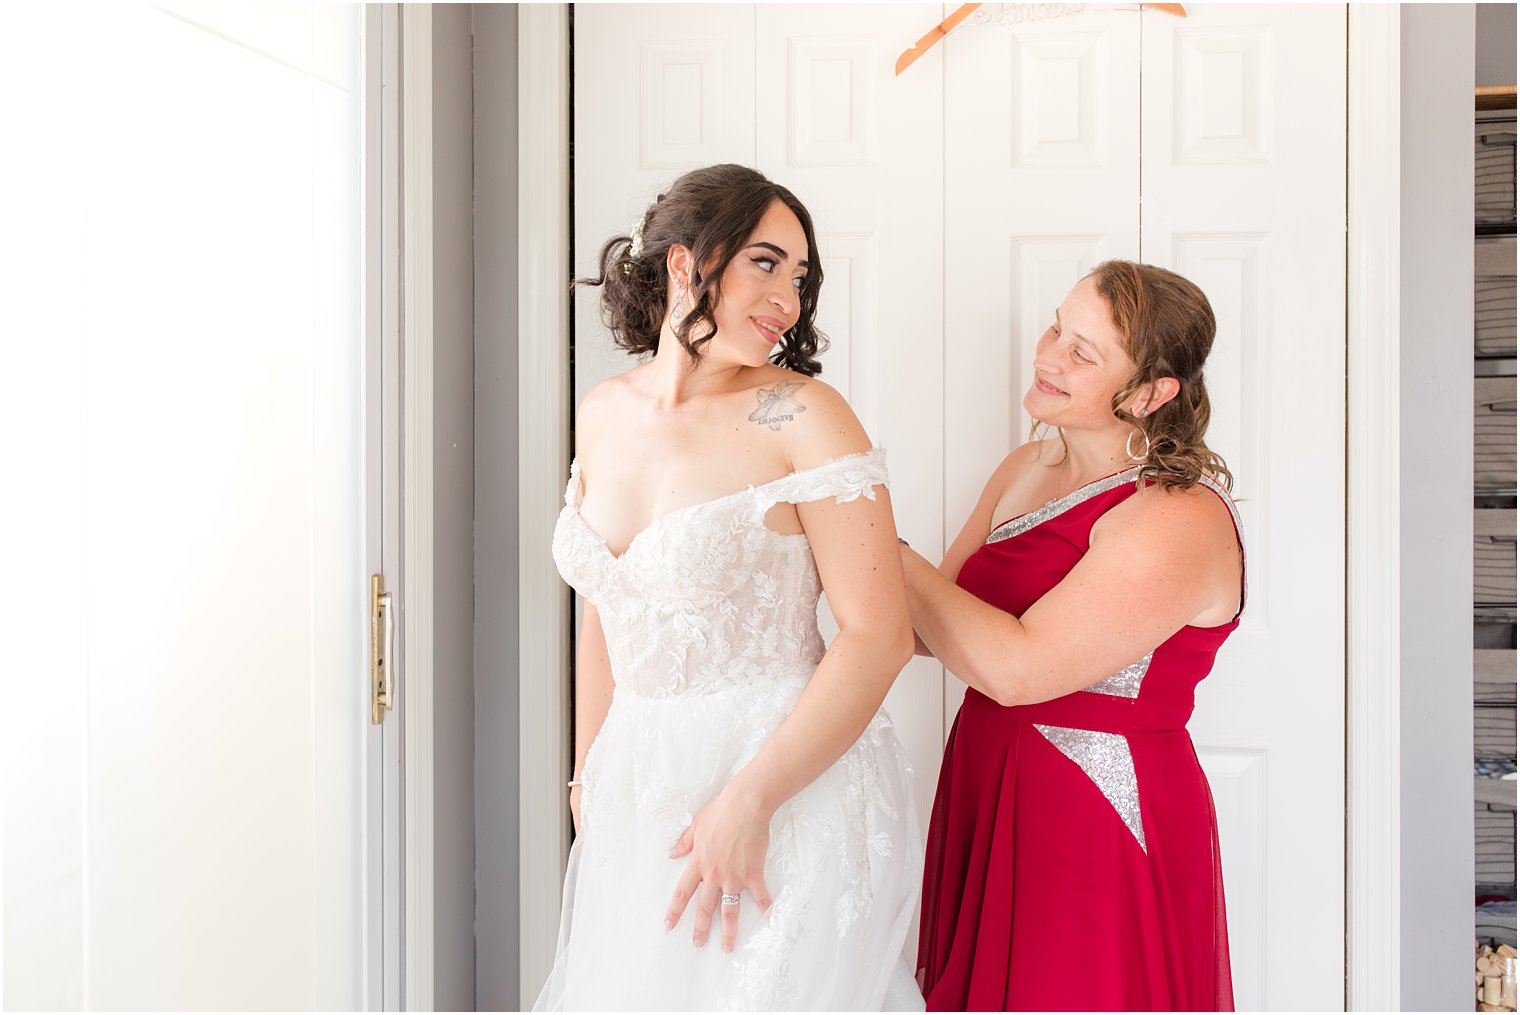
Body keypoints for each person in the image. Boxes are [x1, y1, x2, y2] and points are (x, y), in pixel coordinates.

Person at [536, 164, 923, 1011]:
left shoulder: (801, 414)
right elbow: (608, 601)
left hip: (781, 777)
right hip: (640, 780)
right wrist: (588, 776)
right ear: (686, 264)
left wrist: (750, 799)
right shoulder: (603, 411)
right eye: (766, 262)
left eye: (801, 276)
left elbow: (879, 634)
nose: (788, 297)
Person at [904, 261, 1242, 1011]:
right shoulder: (1026, 465)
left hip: (1094, 811)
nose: (1047, 354)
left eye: (1081, 352)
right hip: (987, 779)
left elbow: (1016, 670)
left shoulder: (1176, 516)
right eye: (1058, 326)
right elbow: (934, 627)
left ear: (1152, 393)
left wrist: (877, 539)